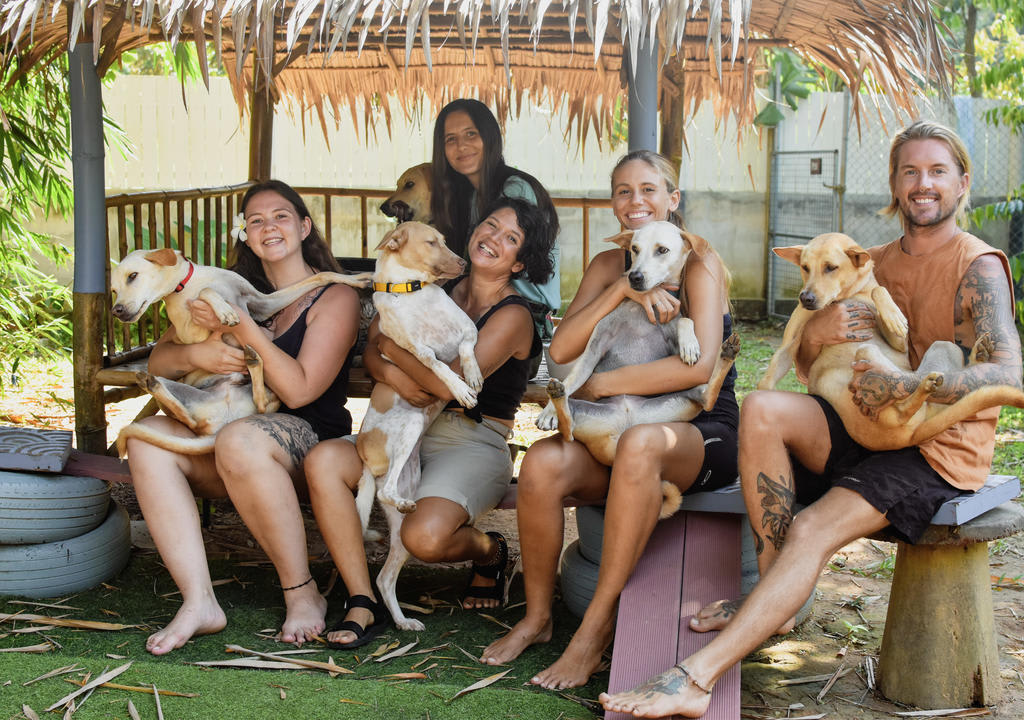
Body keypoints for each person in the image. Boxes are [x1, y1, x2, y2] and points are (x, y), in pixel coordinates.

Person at [599, 121, 1023, 718]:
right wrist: (816, 333)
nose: (922, 184)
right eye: (910, 171)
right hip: (861, 426)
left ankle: (695, 679)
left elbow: (1010, 374)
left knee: (811, 528)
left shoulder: (977, 264)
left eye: (937, 172)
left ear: (962, 184)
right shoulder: (863, 260)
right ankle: (776, 601)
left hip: (933, 452)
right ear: (896, 184)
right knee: (762, 409)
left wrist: (913, 384)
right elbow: (808, 366)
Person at [480, 150, 737, 690]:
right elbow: (563, 354)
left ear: (673, 199)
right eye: (623, 191)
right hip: (617, 426)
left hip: (697, 428)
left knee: (644, 443)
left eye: (648, 189)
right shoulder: (607, 263)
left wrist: (600, 385)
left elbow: (699, 367)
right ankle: (538, 617)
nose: (635, 201)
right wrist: (621, 290)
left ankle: (593, 633)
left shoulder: (699, 260)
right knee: (545, 462)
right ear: (615, 204)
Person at [304, 197, 556, 648]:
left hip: (471, 439)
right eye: (491, 226)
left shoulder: (514, 315)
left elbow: (445, 388)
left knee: (424, 538)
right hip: (403, 424)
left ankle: (491, 551)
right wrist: (387, 361)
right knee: (324, 460)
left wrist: (392, 355)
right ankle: (363, 597)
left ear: (520, 263)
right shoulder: (435, 280)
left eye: (511, 238)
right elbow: (372, 346)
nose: (494, 238)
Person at [126, 180, 361, 656]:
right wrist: (202, 352)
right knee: (146, 437)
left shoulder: (334, 297)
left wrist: (244, 329)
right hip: (228, 439)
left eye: (279, 216)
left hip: (305, 446)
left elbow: (299, 389)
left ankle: (301, 591)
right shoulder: (221, 287)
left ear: (303, 226)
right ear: (245, 236)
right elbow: (158, 363)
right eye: (255, 220)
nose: (267, 226)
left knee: (241, 438)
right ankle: (199, 602)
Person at [431, 98, 562, 343]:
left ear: (490, 137)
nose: (461, 146)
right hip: (479, 308)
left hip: (521, 316)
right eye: (451, 139)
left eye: (471, 134)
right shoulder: (469, 197)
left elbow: (503, 265)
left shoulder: (515, 189)